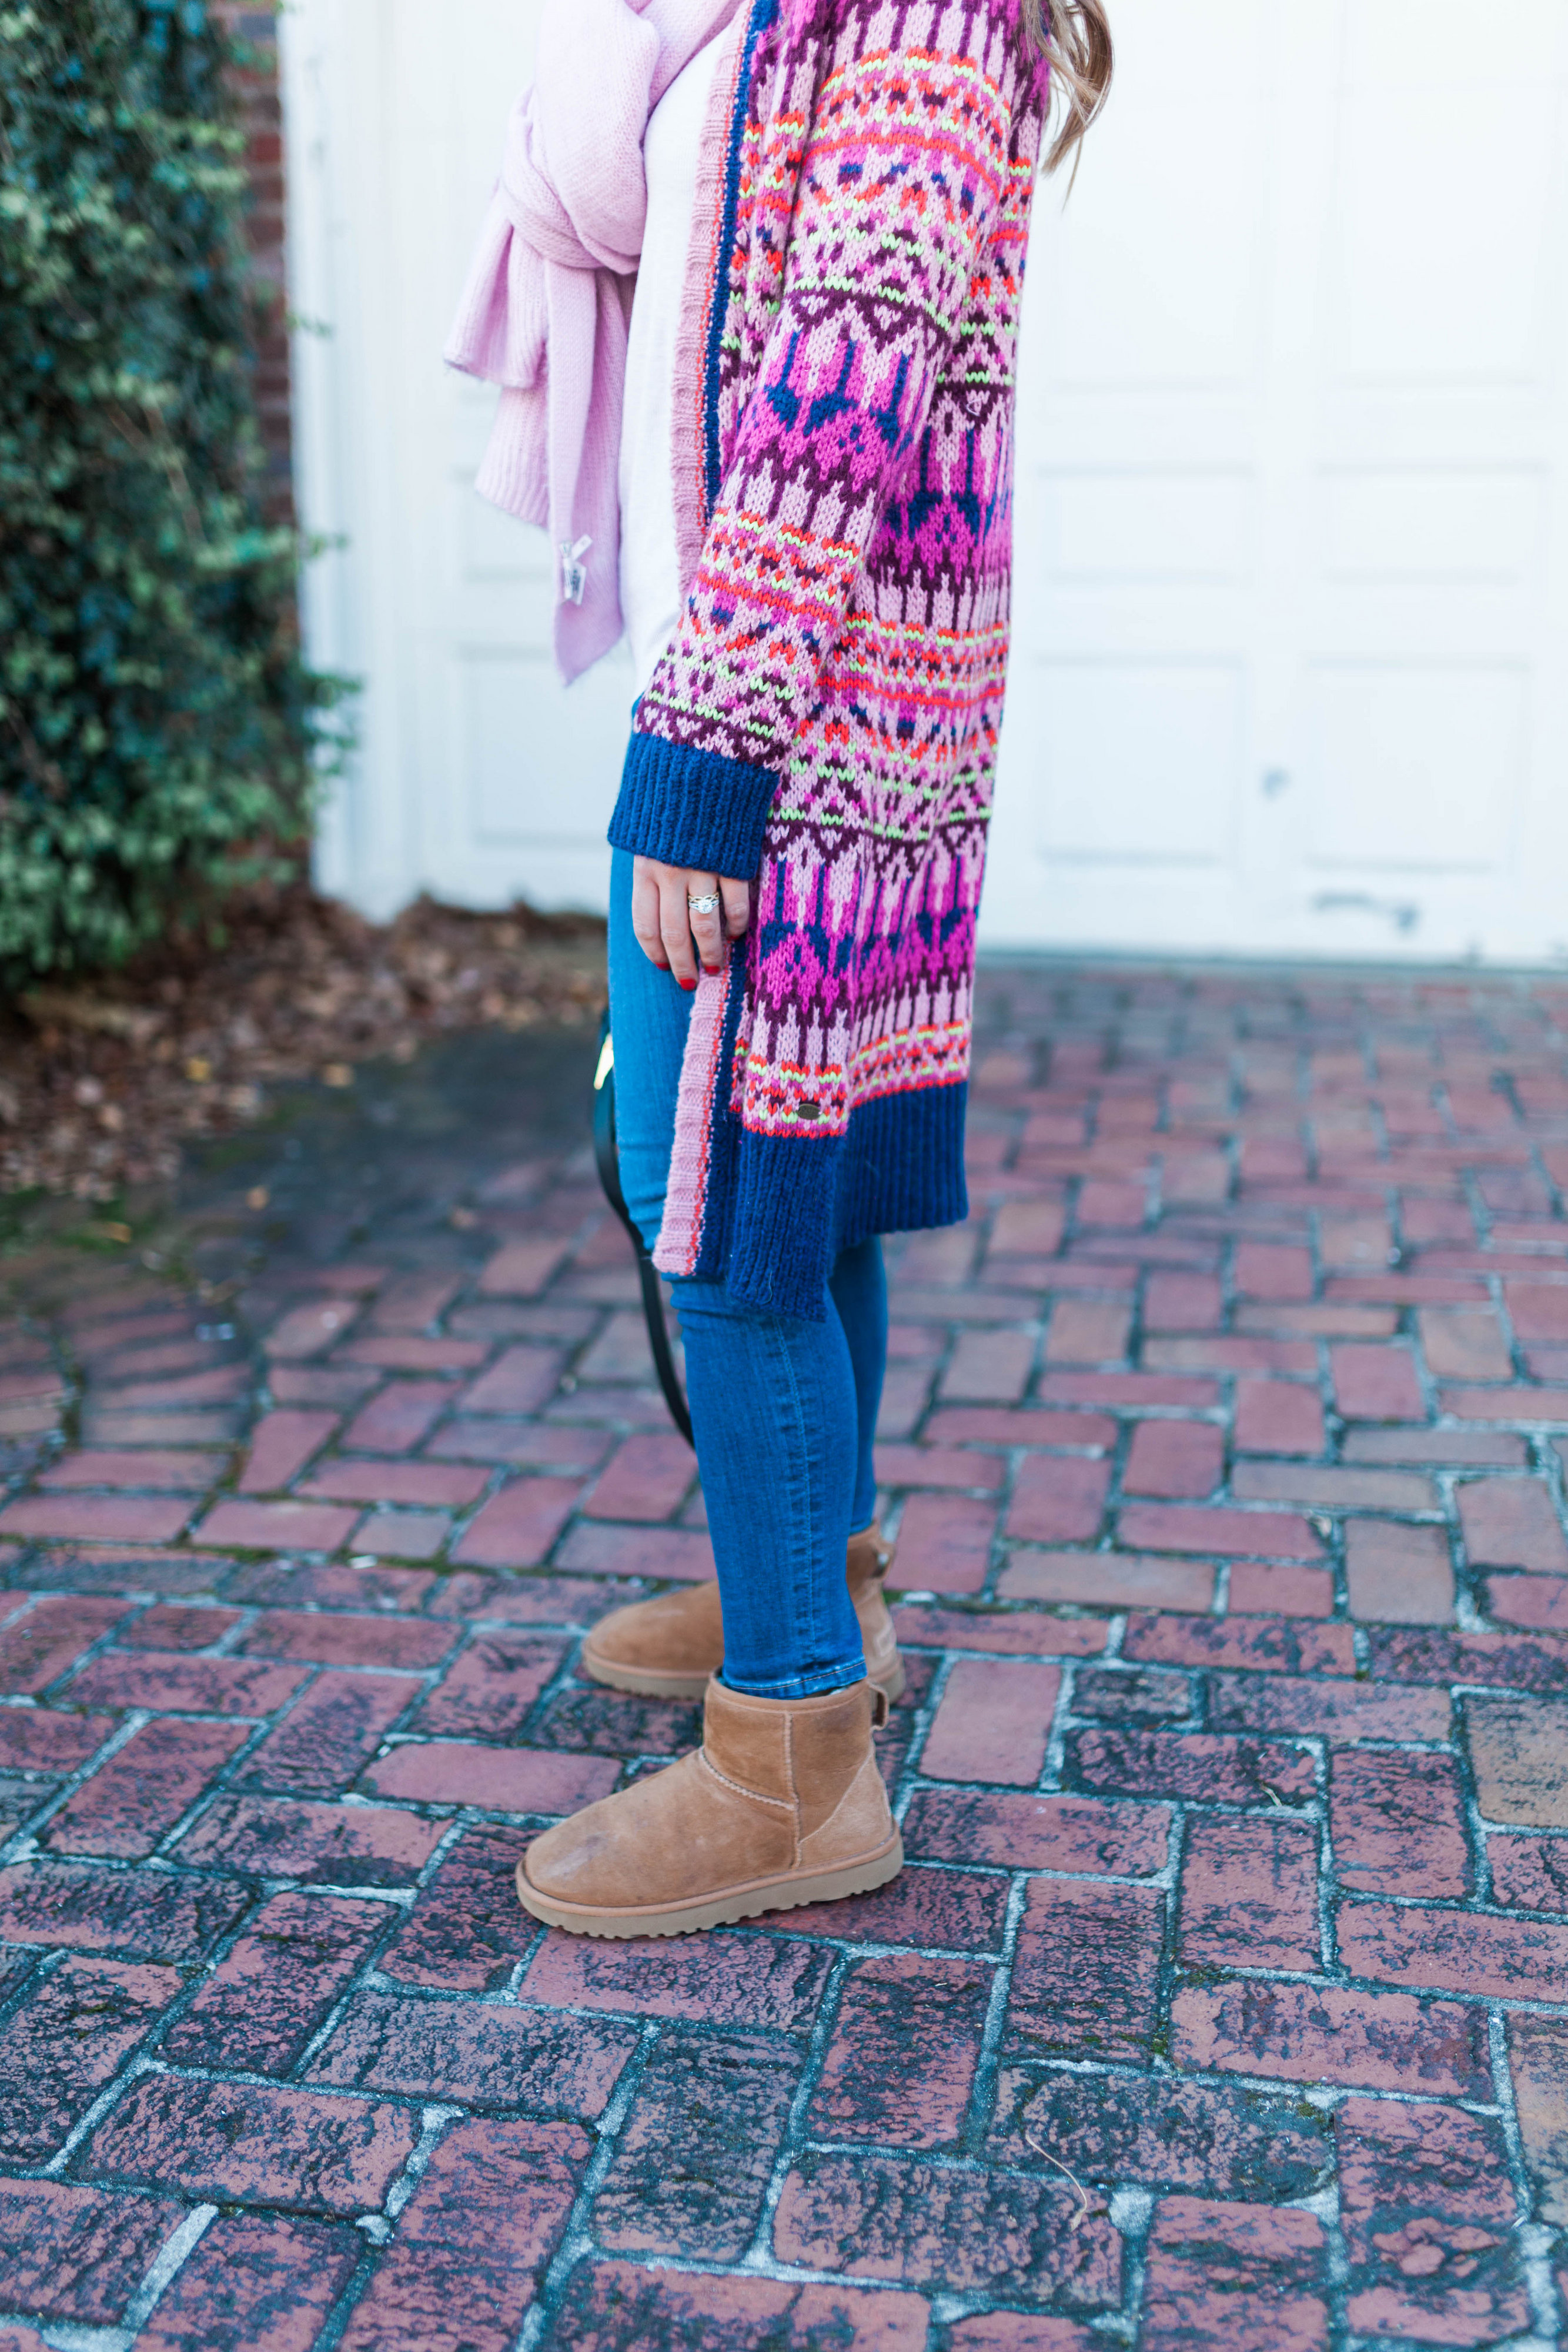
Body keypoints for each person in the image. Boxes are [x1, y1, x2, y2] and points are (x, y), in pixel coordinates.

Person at [446, 0, 1112, 1938]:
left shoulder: (918, 13)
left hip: (791, 742)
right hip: (778, 708)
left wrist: (706, 756)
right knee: (786, 1203)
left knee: (722, 1223)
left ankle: (794, 1752)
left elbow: (839, 395)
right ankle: (808, 1588)